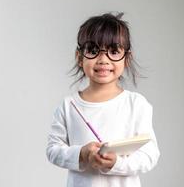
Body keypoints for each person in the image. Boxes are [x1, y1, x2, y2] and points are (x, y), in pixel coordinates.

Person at [46, 12, 160, 187]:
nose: (103, 59)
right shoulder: (69, 106)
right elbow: (53, 150)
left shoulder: (136, 104)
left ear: (126, 58)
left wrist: (116, 163)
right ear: (79, 57)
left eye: (114, 51)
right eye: (92, 51)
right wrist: (81, 154)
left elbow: (149, 155)